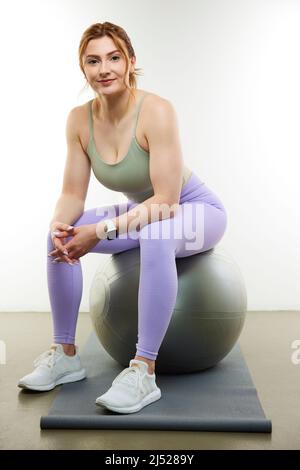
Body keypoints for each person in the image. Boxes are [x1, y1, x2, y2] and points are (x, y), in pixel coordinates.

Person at [18, 22, 227, 414]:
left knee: (158, 235)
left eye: (114, 57)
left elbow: (165, 200)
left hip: (192, 211)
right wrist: (59, 225)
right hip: (143, 213)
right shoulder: (79, 120)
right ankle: (64, 354)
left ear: (131, 61)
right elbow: (72, 194)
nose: (104, 69)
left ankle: (143, 370)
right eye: (93, 61)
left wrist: (99, 231)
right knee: (59, 238)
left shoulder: (157, 110)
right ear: (83, 69)